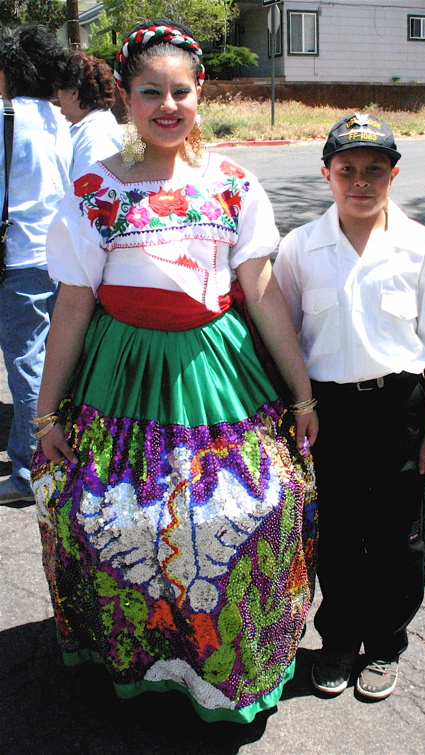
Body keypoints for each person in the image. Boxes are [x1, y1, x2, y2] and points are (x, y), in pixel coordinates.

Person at [31, 20, 318, 723]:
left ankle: (219, 663)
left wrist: (302, 392)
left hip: (217, 374)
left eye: (180, 91)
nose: (167, 105)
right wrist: (44, 412)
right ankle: (136, 652)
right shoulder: (95, 190)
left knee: (243, 509)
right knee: (109, 516)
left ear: (200, 95)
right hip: (118, 373)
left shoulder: (231, 184)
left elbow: (262, 292)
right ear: (126, 98)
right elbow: (72, 306)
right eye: (149, 91)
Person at [273, 113, 425, 701]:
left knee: (399, 538)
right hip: (327, 411)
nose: (360, 181)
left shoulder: (420, 248)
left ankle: (385, 646)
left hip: (399, 410)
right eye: (347, 170)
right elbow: (283, 338)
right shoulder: (300, 248)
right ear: (326, 174)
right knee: (335, 534)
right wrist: (297, 406)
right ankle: (336, 641)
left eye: (374, 171)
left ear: (394, 175)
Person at [0, 25, 72, 505]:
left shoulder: (6, 118)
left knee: (26, 363)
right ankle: (49, 452)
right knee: (51, 362)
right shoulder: (59, 119)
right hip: (57, 258)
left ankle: (29, 469)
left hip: (17, 259)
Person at [57, 51, 122, 180]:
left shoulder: (96, 136)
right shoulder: (91, 127)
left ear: (74, 93)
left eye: (58, 88)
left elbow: (90, 193)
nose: (57, 96)